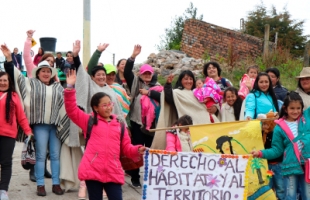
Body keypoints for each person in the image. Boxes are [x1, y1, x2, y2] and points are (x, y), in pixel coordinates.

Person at [64, 69, 146, 200]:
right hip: (92, 170)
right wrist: (69, 88)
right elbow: (72, 110)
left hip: (113, 171)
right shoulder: (89, 121)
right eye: (104, 105)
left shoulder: (120, 125)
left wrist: (138, 149)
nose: (109, 107)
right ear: (95, 108)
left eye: (110, 104)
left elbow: (127, 149)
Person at [1, 44, 69, 197]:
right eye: (43, 71)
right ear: (38, 73)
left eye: (48, 71)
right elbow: (16, 75)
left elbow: (66, 105)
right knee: (40, 156)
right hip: (39, 126)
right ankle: (40, 184)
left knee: (55, 155)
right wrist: (9, 59)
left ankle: (56, 183)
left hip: (55, 126)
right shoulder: (30, 84)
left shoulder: (58, 87)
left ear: (51, 74)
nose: (45, 73)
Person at [252, 92, 310, 199]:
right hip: (290, 166)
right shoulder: (279, 128)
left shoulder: (307, 118)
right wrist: (260, 153)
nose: (296, 111)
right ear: (285, 108)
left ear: (302, 108)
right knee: (290, 196)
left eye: (298, 108)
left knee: (308, 195)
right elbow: (276, 150)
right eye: (292, 108)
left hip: (308, 165)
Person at [123, 45, 162, 188]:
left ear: (152, 74)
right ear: (140, 74)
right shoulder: (136, 83)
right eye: (144, 73)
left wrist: (149, 93)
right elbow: (127, 72)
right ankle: (134, 176)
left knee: (151, 151)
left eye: (149, 73)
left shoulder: (157, 86)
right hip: (137, 123)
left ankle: (150, 177)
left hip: (152, 126)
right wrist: (132, 57)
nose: (147, 76)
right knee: (137, 151)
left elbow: (163, 98)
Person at [0, 71, 33, 200]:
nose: (2, 83)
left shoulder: (14, 96)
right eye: (0, 80)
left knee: (6, 163)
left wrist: (28, 131)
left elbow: (21, 116)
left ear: (9, 82)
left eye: (5, 80)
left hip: (8, 135)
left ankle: (3, 190)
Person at [261, 112, 285, 200]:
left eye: (266, 124)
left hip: (278, 165)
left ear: (272, 123)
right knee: (268, 186)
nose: (264, 126)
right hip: (267, 166)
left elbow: (277, 149)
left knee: (280, 186)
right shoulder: (263, 134)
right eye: (263, 124)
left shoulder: (276, 133)